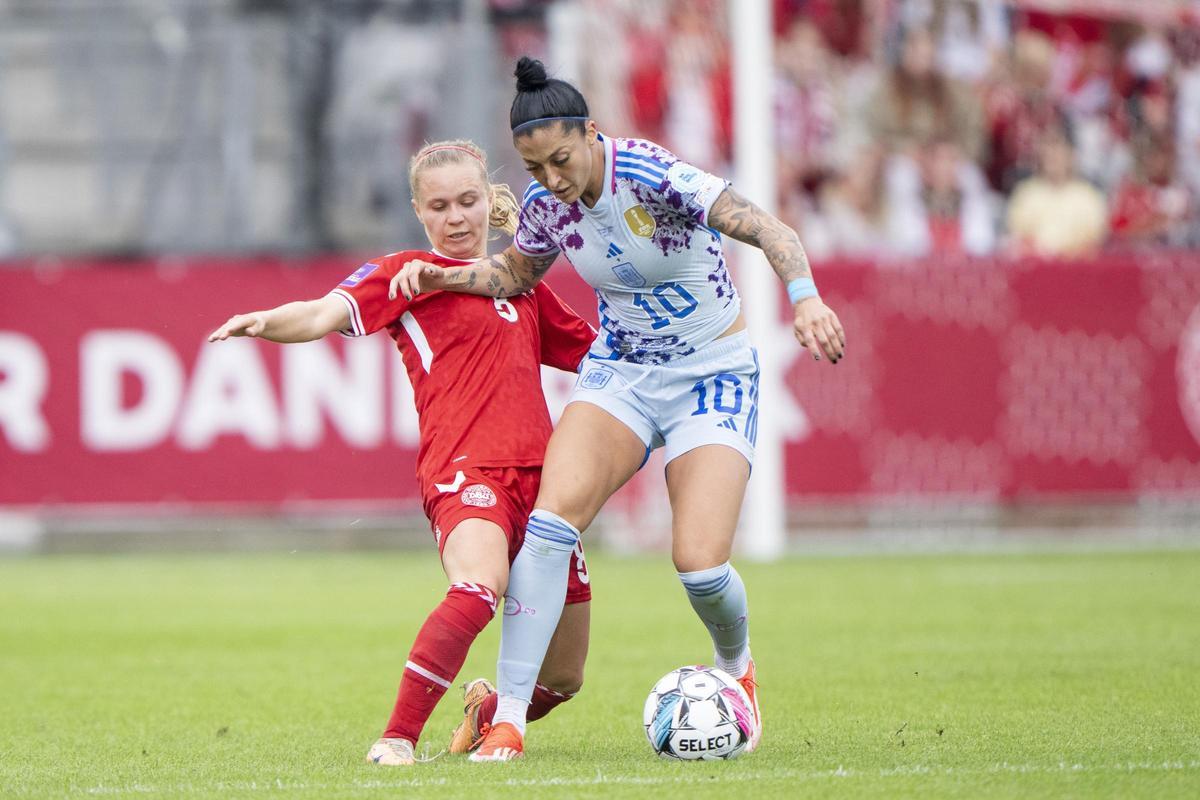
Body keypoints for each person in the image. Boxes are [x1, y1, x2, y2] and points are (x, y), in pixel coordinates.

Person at [389, 57, 846, 762]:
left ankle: (737, 667)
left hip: (712, 374)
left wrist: (805, 297)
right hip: (623, 375)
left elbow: (769, 231)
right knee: (548, 523)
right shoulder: (548, 207)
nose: (552, 180)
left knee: (698, 565)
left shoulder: (655, 175)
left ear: (591, 134)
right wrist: (445, 274)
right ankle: (506, 718)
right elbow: (515, 272)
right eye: (535, 168)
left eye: (561, 160)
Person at [207, 139, 596, 766]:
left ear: (485, 200)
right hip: (466, 473)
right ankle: (397, 739)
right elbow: (319, 315)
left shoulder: (519, 283)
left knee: (564, 680)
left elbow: (600, 357)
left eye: (468, 201)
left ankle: (487, 710)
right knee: (477, 588)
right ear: (420, 212)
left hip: (546, 489)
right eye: (440, 206)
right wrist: (265, 321)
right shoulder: (406, 274)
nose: (458, 218)